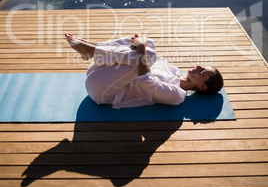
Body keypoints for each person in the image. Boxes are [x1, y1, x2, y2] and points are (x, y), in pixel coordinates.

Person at [65, 32, 224, 109]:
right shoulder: (175, 71)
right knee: (151, 46)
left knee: (148, 52)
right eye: (202, 66)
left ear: (202, 86)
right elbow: (155, 57)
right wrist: (141, 45)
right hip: (100, 71)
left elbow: (146, 81)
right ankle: (91, 48)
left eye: (203, 72)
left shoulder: (177, 95)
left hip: (102, 90)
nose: (198, 67)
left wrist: (140, 46)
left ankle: (91, 50)